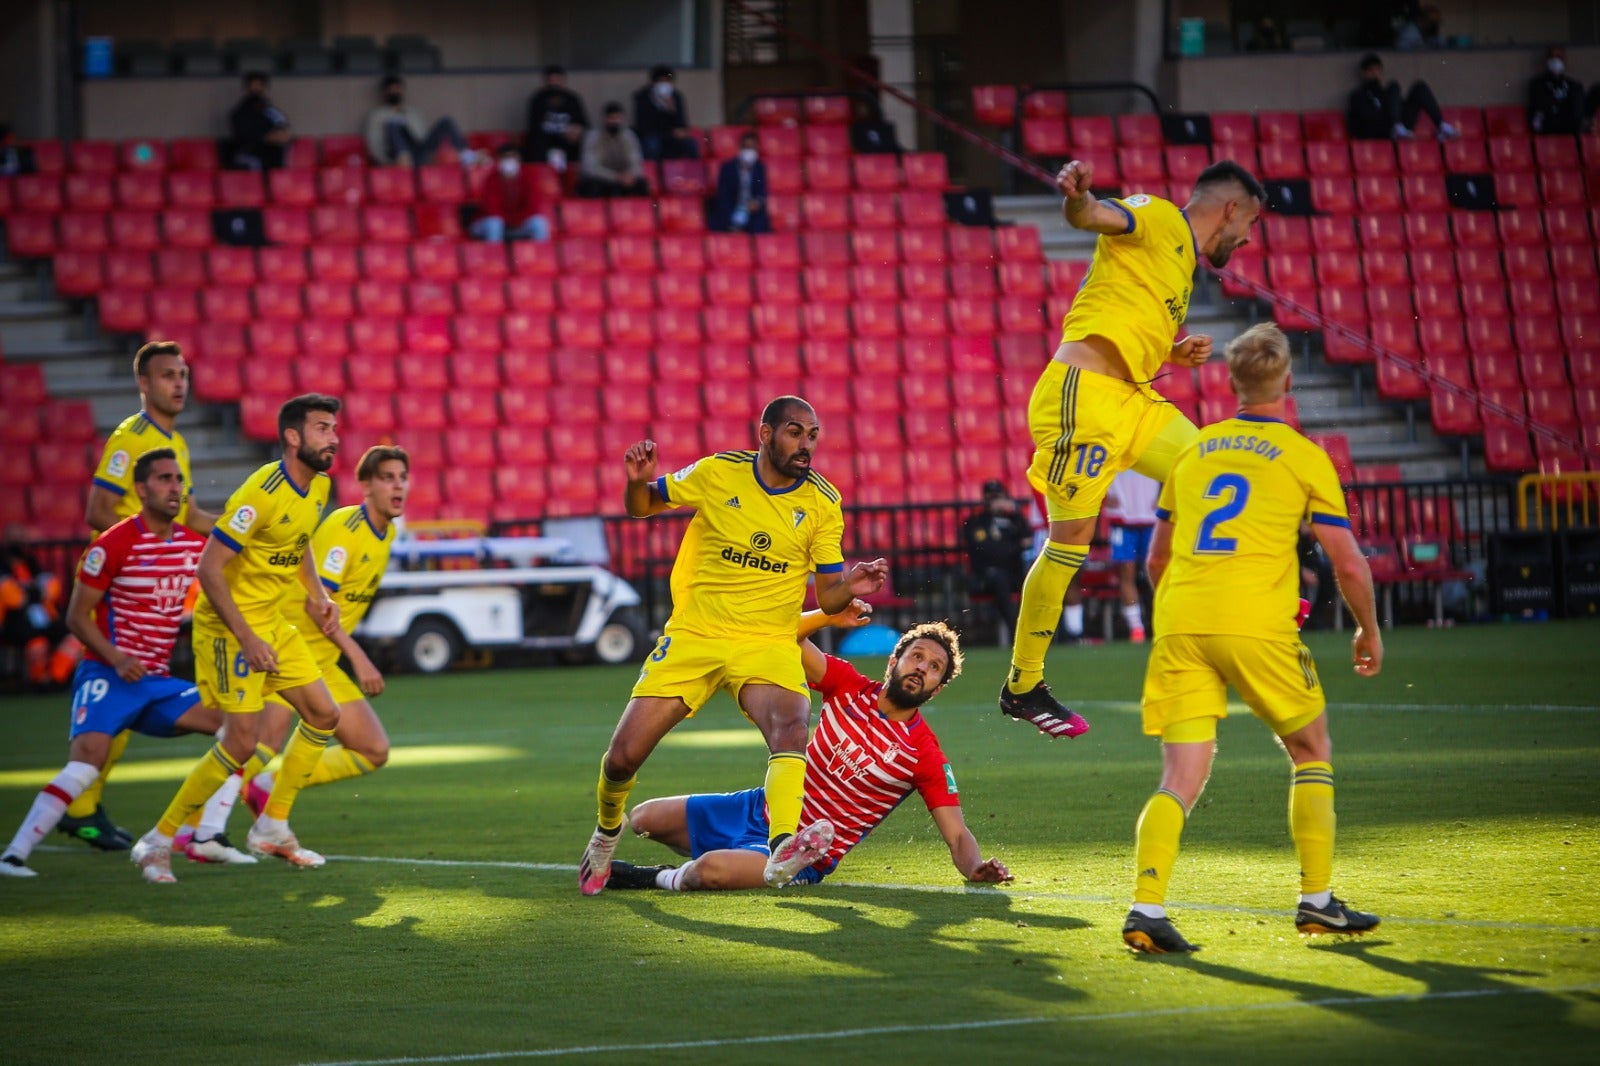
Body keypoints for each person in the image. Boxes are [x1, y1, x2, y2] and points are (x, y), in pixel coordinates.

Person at [1120, 323, 1384, 954]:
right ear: (1288, 382)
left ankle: (1146, 907)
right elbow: (1346, 562)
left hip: (1181, 621)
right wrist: (1367, 628)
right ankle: (1317, 900)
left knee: (1180, 776)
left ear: (1232, 383)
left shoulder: (1194, 450)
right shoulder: (1302, 454)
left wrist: (1185, 612)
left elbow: (1156, 560)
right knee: (1310, 746)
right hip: (1256, 623)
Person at [578, 396, 889, 896]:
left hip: (766, 640)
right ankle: (606, 831)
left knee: (791, 723)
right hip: (695, 635)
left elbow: (828, 593)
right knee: (621, 760)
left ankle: (782, 845)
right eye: (794, 432)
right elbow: (641, 509)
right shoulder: (720, 472)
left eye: (812, 435)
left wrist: (851, 584)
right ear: (765, 434)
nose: (806, 444)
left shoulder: (822, 502)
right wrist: (637, 482)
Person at [999, 159, 1264, 742]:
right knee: (1069, 545)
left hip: (1133, 398)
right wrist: (1078, 198)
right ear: (1231, 208)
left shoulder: (1181, 262)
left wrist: (1171, 352)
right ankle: (1022, 685)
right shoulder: (1161, 217)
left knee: (1214, 473)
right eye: (1251, 221)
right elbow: (1096, 216)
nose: (1248, 237)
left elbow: (1119, 314)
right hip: (1084, 397)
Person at [606, 605, 1012, 891]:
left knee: (708, 872)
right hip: (759, 808)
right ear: (894, 662)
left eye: (934, 667)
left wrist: (975, 867)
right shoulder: (849, 686)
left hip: (805, 852)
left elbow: (957, 835)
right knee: (643, 817)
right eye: (917, 657)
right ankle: (736, 858)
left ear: (937, 688)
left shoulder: (925, 754)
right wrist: (828, 615)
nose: (922, 667)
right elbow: (783, 635)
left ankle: (658, 877)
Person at [129, 395, 345, 884]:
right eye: (322, 428)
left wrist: (316, 595)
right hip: (229, 628)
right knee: (242, 741)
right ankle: (158, 842)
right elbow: (209, 566)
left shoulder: (319, 487)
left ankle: (272, 827)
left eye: (334, 428)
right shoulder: (261, 491)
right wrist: (245, 637)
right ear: (293, 437)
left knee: (324, 714)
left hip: (271, 621)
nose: (333, 437)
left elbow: (300, 541)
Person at [178, 446, 408, 861]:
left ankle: (267, 789)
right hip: (290, 644)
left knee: (372, 749)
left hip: (323, 657)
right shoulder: (345, 530)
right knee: (256, 744)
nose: (398, 486)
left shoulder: (386, 533)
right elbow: (313, 604)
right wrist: (359, 657)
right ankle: (192, 828)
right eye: (388, 477)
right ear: (367, 486)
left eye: (402, 477)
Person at [1, 451, 221, 877]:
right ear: (140, 489)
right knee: (85, 766)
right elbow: (75, 617)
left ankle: (200, 833)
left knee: (237, 729)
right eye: (163, 479)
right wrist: (117, 658)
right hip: (109, 674)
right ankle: (13, 855)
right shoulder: (111, 544)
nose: (174, 487)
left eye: (179, 479)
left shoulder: (192, 545)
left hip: (155, 681)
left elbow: (231, 555)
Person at [66, 340, 216, 852]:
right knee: (121, 686)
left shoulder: (175, 444)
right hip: (120, 588)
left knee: (132, 687)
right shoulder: (132, 438)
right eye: (168, 375)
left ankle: (84, 804)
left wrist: (244, 533)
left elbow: (192, 519)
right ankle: (80, 807)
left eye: (183, 374)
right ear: (144, 385)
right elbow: (97, 510)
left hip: (152, 588)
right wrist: (148, 553)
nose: (179, 383)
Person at [962, 479, 1029, 643]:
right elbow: (986, 550)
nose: (995, 501)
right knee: (999, 579)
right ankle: (1016, 634)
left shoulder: (1013, 520)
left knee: (1036, 580)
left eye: (997, 496)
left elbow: (1028, 539)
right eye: (991, 497)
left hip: (1013, 572)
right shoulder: (976, 521)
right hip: (986, 577)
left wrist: (1015, 513)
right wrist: (1014, 546)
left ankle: (1045, 631)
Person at [363, 75, 476, 167]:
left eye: (397, 89)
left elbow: (423, 136)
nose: (394, 92)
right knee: (393, 124)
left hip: (418, 152)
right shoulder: (376, 115)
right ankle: (404, 158)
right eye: (391, 89)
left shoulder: (414, 113)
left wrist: (432, 155)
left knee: (446, 122)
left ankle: (466, 155)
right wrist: (385, 162)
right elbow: (375, 143)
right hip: (396, 158)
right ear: (384, 93)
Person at [1347, 53, 1460, 141]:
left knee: (1418, 87)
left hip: (1400, 126)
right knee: (1393, 87)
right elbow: (1361, 123)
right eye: (1371, 70)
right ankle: (1396, 127)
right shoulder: (1357, 95)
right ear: (1363, 72)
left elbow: (1397, 105)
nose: (1375, 73)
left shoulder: (1385, 92)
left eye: (1378, 70)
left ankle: (1441, 125)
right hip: (1380, 132)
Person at [1104, 469, 1160, 643]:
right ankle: (1136, 628)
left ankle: (1161, 622)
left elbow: (1169, 472)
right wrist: (1103, 497)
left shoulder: (1154, 444)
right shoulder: (1114, 443)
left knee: (1157, 571)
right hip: (1122, 517)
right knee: (1126, 573)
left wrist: (1164, 498)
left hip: (1151, 517)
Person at [470, 144, 550, 243]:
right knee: (495, 223)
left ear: (519, 159)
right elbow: (492, 208)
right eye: (506, 158)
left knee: (539, 223)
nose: (510, 161)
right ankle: (493, 257)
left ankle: (541, 257)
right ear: (499, 160)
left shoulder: (528, 177)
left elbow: (533, 205)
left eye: (513, 157)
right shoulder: (492, 179)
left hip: (517, 224)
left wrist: (516, 221)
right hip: (491, 224)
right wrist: (509, 221)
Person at [524, 64, 589, 173]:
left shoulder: (572, 99)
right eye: (551, 80)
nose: (554, 83)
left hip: (568, 143)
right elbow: (534, 128)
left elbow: (584, 124)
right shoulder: (537, 100)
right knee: (535, 148)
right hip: (545, 142)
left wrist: (577, 130)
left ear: (563, 81)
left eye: (557, 80)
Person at [577, 103, 649, 198]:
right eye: (611, 118)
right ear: (604, 119)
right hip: (602, 179)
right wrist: (616, 177)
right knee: (592, 186)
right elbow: (590, 167)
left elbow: (636, 162)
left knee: (641, 184)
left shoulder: (629, 137)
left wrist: (629, 175)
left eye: (617, 118)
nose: (614, 122)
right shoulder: (593, 137)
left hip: (624, 179)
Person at [632, 65, 701, 162]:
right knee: (652, 144)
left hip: (671, 134)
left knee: (690, 143)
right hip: (652, 134)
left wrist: (672, 111)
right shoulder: (642, 97)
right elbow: (642, 124)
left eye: (667, 82)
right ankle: (653, 172)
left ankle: (693, 171)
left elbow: (682, 124)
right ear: (653, 83)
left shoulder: (676, 97)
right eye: (661, 82)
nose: (664, 85)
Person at [708, 131, 771, 234]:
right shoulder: (727, 168)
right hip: (732, 210)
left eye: (752, 148)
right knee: (725, 225)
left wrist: (757, 202)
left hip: (751, 212)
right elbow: (723, 196)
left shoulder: (760, 168)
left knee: (760, 228)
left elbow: (762, 191)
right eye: (746, 147)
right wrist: (732, 221)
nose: (749, 151)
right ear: (740, 148)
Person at [228, 72, 291, 171]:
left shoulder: (270, 110)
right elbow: (242, 137)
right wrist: (266, 138)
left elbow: (282, 125)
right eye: (253, 85)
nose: (256, 89)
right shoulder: (239, 113)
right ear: (247, 88)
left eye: (260, 85)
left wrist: (282, 135)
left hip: (273, 154)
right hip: (249, 154)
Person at [1529, 46, 1589, 135]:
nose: (1555, 61)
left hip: (1568, 128)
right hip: (1548, 128)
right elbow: (1541, 107)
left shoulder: (1572, 85)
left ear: (1564, 60)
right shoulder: (1538, 84)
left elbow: (1577, 110)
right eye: (1552, 57)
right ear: (1546, 60)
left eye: (1559, 57)